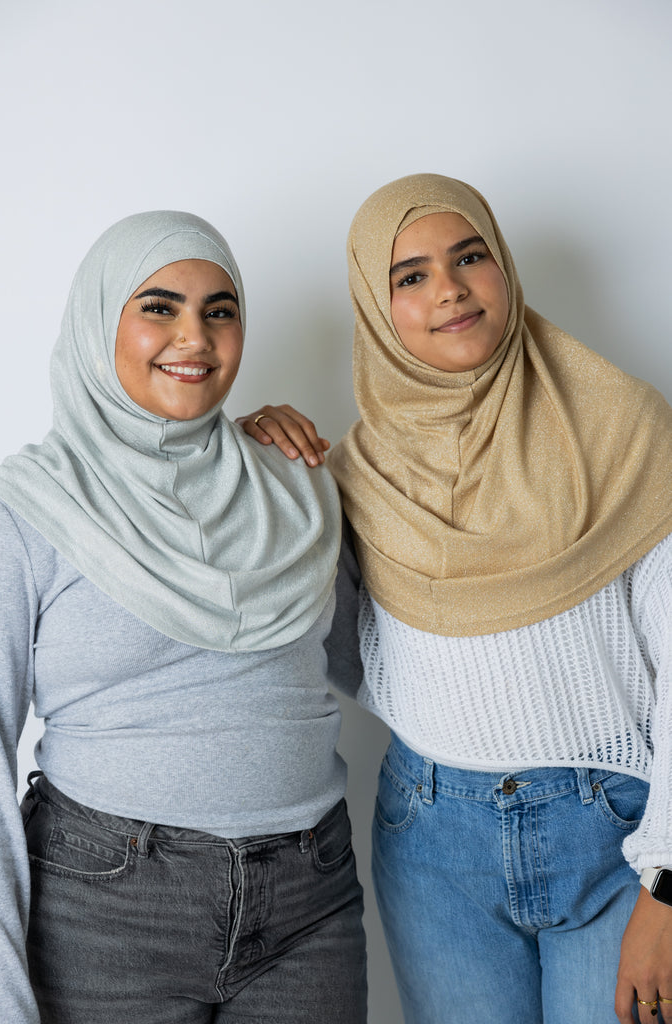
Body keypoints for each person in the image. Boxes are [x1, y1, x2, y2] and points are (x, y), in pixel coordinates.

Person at [238, 174, 672, 1024]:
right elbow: (324, 647)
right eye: (409, 275)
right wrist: (259, 470)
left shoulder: (626, 433)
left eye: (469, 255)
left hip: (615, 835)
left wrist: (667, 882)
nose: (449, 289)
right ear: (375, 304)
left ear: (502, 266)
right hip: (431, 841)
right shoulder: (354, 479)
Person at [0, 210, 367, 1023]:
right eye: (158, 306)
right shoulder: (24, 509)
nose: (194, 337)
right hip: (105, 910)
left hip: (310, 900)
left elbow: (372, 661)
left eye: (219, 310)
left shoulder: (294, 482)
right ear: (98, 321)